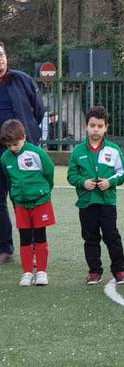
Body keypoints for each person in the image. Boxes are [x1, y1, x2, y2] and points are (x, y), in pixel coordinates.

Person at [67, 106, 124, 285]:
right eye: (92, 125)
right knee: (90, 237)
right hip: (86, 203)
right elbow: (72, 175)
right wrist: (82, 182)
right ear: (86, 126)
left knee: (111, 236)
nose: (96, 129)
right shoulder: (78, 151)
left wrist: (111, 182)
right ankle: (94, 271)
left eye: (100, 126)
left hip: (107, 201)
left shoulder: (114, 149)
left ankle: (119, 270)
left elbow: (122, 172)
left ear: (106, 127)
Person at [0, 41, 45, 265]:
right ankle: (4, 248)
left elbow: (38, 110)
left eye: (1, 55)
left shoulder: (21, 80)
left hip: (19, 150)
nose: (0, 60)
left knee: (24, 198)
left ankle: (33, 247)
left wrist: (25, 137)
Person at [0, 120, 54, 286]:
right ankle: (28, 272)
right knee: (24, 238)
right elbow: (9, 178)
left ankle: (42, 272)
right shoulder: (5, 158)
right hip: (21, 204)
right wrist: (17, 194)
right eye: (9, 145)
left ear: (23, 137)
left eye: (15, 144)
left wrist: (42, 191)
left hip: (40, 202)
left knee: (40, 236)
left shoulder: (37, 153)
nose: (13, 148)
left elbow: (49, 173)